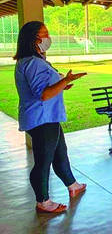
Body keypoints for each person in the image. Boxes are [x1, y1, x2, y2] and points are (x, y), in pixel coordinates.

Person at [14, 21, 87, 214]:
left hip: (48, 118)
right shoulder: (32, 62)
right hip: (42, 120)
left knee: (60, 153)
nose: (48, 37)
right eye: (44, 34)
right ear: (33, 38)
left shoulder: (35, 60)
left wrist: (62, 84)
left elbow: (47, 87)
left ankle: (73, 185)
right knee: (43, 161)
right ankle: (43, 201)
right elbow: (44, 94)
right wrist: (65, 80)